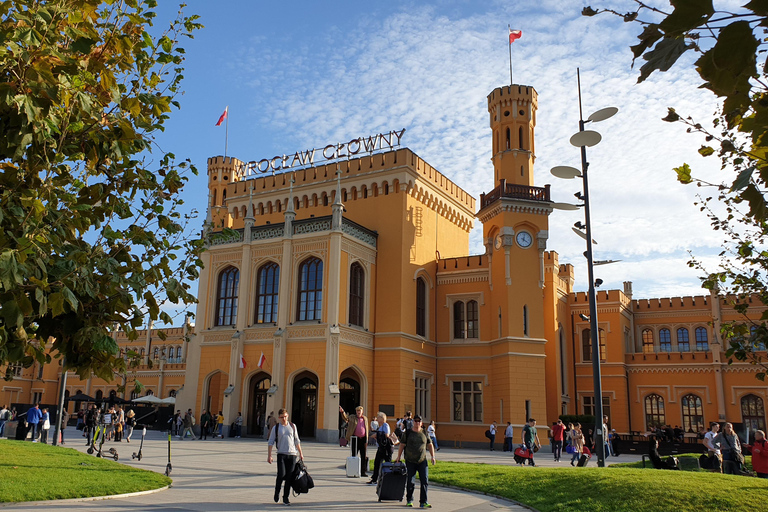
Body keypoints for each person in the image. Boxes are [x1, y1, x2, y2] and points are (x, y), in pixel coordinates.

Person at [395, 414, 436, 508]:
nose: (417, 423)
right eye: (415, 421)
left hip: (422, 461)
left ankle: (423, 501)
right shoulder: (408, 433)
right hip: (410, 460)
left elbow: (430, 445)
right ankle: (409, 500)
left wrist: (433, 456)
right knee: (410, 481)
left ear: (421, 423)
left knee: (424, 481)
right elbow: (402, 444)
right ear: (413, 422)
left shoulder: (425, 433)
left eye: (419, 421)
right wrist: (398, 456)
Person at [267, 408, 304, 506]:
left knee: (289, 477)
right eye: (282, 417)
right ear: (279, 417)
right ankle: (277, 493)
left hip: (292, 455)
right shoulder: (276, 427)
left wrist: (301, 453)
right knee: (281, 475)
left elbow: (297, 440)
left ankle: (285, 498)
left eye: (285, 417)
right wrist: (269, 456)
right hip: (281, 454)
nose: (284, 419)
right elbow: (270, 442)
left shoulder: (292, 426)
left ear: (288, 416)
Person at [343, 405, 369, 477]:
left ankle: (363, 471)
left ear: (362, 412)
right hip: (355, 438)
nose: (358, 413)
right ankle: (353, 470)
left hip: (363, 439)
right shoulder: (352, 417)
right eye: (357, 411)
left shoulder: (365, 419)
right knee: (354, 454)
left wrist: (367, 438)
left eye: (360, 411)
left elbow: (366, 428)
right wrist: (342, 412)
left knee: (363, 455)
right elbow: (346, 418)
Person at [369, 411, 394, 484]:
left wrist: (377, 435)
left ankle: (388, 479)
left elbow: (386, 435)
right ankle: (374, 479)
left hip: (386, 448)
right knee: (377, 463)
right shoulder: (380, 426)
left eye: (378, 417)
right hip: (381, 447)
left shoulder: (385, 425)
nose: (377, 419)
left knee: (387, 463)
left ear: (382, 418)